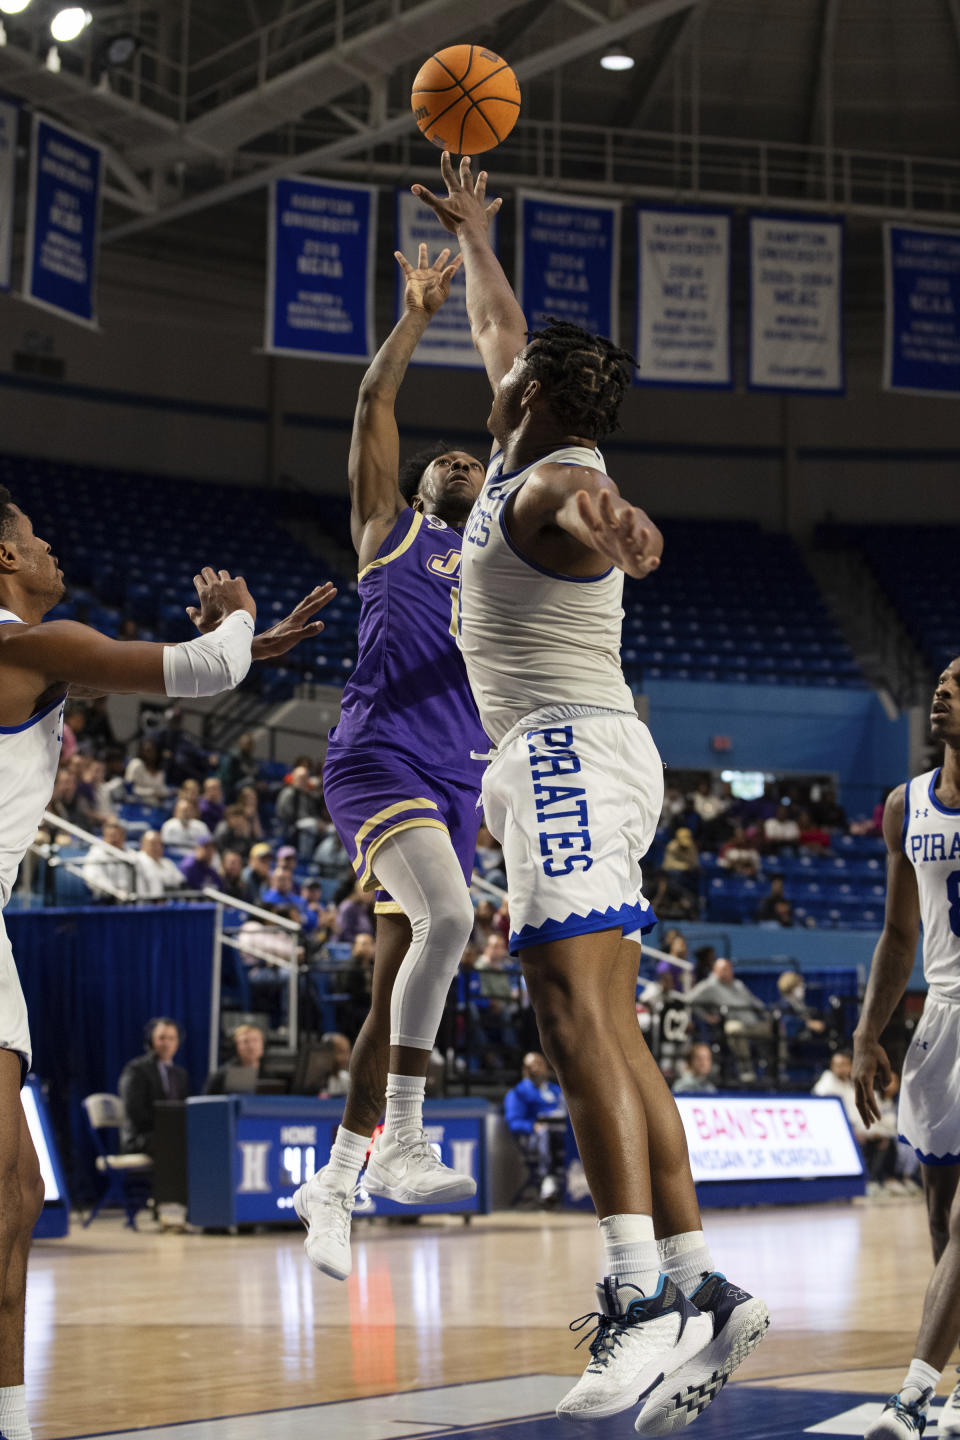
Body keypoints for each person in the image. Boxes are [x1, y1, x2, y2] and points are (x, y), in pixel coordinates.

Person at [411, 153, 767, 1432]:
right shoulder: (523, 441)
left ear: (538, 397)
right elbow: (502, 325)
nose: (495, 360)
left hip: (565, 751)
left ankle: (637, 1299)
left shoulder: (559, 476)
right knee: (606, 1029)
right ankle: (697, 1286)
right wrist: (483, 237)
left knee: (571, 1020)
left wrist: (628, 524)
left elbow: (592, 500)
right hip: (574, 753)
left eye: (514, 367)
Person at [0, 485, 336, 1440]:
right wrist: (237, 622)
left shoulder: (32, 661)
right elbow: (192, 671)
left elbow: (139, 680)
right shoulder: (25, 643)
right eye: (35, 536)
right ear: (4, 562)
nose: (52, 546)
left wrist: (242, 655)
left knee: (17, 1195)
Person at [293, 242, 490, 1283]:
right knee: (453, 921)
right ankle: (405, 1139)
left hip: (457, 781)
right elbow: (374, 397)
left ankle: (333, 1181)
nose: (457, 462)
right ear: (414, 486)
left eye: (472, 461)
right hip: (380, 758)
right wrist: (417, 315)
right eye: (442, 460)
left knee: (389, 997)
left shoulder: (502, 568)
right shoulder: (389, 532)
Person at [854, 658, 960, 1440]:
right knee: (939, 1224)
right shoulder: (904, 806)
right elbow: (898, 935)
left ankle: (914, 1393)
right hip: (941, 1022)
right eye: (942, 680)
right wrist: (866, 1035)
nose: (943, 690)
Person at [687, 959, 773, 1081]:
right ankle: (746, 1070)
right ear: (715, 971)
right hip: (732, 1022)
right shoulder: (709, 986)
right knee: (734, 1030)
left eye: (729, 969)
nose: (728, 972)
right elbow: (689, 1000)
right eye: (724, 969)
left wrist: (769, 1015)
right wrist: (706, 1016)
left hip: (752, 1023)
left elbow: (755, 1002)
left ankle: (777, 1068)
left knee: (776, 1027)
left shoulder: (738, 985)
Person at [118, 1018, 190, 1153]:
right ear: (152, 1041)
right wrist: (166, 1127)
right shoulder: (136, 1070)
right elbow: (135, 1111)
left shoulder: (180, 1074)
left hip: (170, 1135)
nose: (166, 1043)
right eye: (161, 1038)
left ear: (177, 1043)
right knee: (177, 1143)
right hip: (141, 1137)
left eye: (171, 1038)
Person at [504, 1051, 567, 1203]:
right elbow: (513, 1122)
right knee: (544, 1133)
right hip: (533, 1138)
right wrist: (533, 1126)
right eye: (531, 1066)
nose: (536, 1069)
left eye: (540, 1064)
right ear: (524, 1070)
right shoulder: (518, 1093)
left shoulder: (556, 1091)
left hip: (562, 1134)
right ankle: (547, 1179)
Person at [81, 818, 136, 901]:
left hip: (131, 899)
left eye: (118, 835)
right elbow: (91, 878)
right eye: (111, 836)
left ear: (124, 836)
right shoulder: (95, 854)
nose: (114, 839)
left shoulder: (131, 854)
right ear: (104, 836)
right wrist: (115, 892)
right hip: (106, 901)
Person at [204, 1023, 265, 1095]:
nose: (251, 1047)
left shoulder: (270, 1074)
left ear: (263, 1045)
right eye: (245, 1042)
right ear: (236, 1047)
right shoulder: (222, 1076)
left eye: (255, 1041)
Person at [135, 830, 186, 899]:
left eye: (159, 844)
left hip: (169, 902)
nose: (156, 847)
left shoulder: (167, 862)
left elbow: (180, 881)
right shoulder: (137, 861)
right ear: (142, 845)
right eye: (152, 844)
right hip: (147, 904)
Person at [124, 739, 169, 805]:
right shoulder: (136, 764)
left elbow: (162, 790)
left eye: (152, 751)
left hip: (157, 806)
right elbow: (129, 789)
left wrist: (170, 792)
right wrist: (152, 792)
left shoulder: (161, 770)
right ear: (141, 752)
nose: (149, 754)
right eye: (146, 751)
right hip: (137, 804)